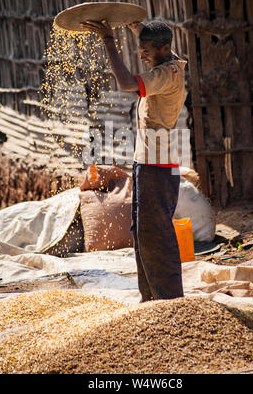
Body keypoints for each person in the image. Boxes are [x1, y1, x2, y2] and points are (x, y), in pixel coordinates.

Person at [80, 19, 186, 302]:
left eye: (146, 50)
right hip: (149, 162)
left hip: (157, 166)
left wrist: (109, 41)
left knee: (156, 232)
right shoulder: (169, 60)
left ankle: (170, 301)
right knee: (142, 231)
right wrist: (133, 25)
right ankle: (150, 298)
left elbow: (127, 82)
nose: (141, 55)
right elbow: (151, 41)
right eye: (140, 49)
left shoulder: (166, 74)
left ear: (164, 49)